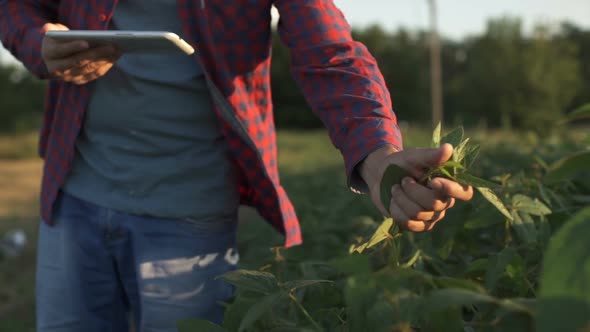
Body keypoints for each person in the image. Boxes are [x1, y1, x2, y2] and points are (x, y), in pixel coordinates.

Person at [0, 1, 473, 331]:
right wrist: (37, 42)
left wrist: (378, 157)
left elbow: (329, 52)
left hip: (189, 217)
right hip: (74, 196)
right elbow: (17, 7)